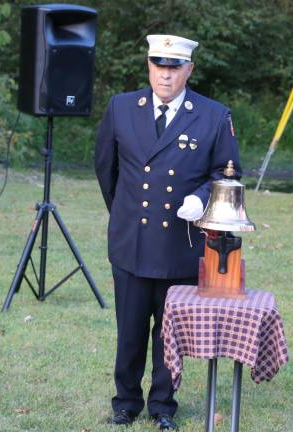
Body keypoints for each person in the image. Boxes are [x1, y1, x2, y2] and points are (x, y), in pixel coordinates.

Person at [95, 34, 241, 430]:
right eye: (159, 66)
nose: (166, 75)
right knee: (129, 329)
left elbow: (228, 174)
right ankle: (125, 403)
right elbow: (106, 168)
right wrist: (124, 214)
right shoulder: (122, 108)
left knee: (169, 333)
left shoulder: (213, 115)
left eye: (174, 68)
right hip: (131, 240)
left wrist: (200, 198)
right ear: (149, 67)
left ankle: (162, 405)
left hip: (180, 242)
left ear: (189, 70)